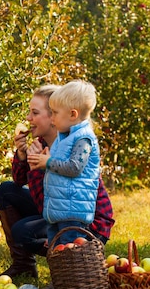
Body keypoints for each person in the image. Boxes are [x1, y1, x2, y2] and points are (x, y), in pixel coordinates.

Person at [0, 84, 114, 279]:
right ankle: (23, 264)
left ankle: (69, 273)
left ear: (53, 118)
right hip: (54, 210)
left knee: (23, 232)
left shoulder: (74, 146)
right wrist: (23, 155)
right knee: (5, 191)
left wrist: (44, 166)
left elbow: (67, 191)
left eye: (34, 113)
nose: (28, 119)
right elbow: (18, 180)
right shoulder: (40, 145)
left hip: (83, 222)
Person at [27, 80, 101, 245]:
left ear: (73, 114)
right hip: (59, 210)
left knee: (70, 251)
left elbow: (74, 167)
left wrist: (49, 162)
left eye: (54, 113)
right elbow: (59, 165)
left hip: (73, 212)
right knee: (56, 250)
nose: (52, 118)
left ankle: (73, 272)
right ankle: (60, 272)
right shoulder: (65, 136)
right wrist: (46, 158)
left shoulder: (84, 138)